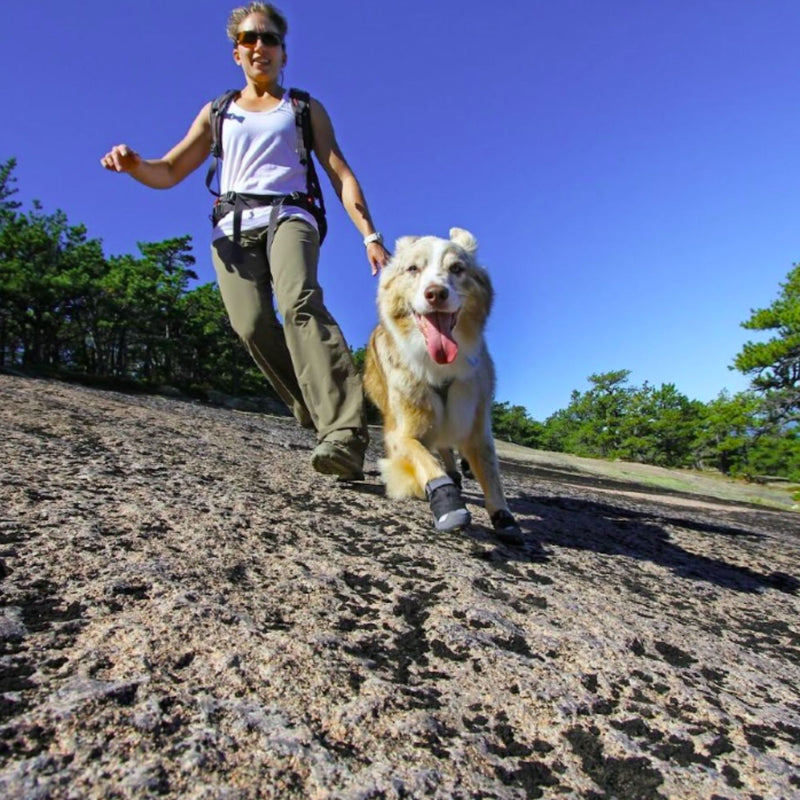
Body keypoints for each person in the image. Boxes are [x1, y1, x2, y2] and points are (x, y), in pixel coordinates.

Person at [101, 2, 390, 480]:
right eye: (250, 39)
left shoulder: (302, 108)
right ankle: (316, 408)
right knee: (251, 325)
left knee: (298, 301)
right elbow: (170, 170)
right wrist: (135, 165)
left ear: (284, 52)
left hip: (290, 214)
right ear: (237, 52)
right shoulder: (218, 112)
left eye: (270, 38)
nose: (261, 47)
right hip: (232, 226)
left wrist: (370, 235)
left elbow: (339, 172)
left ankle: (343, 433)